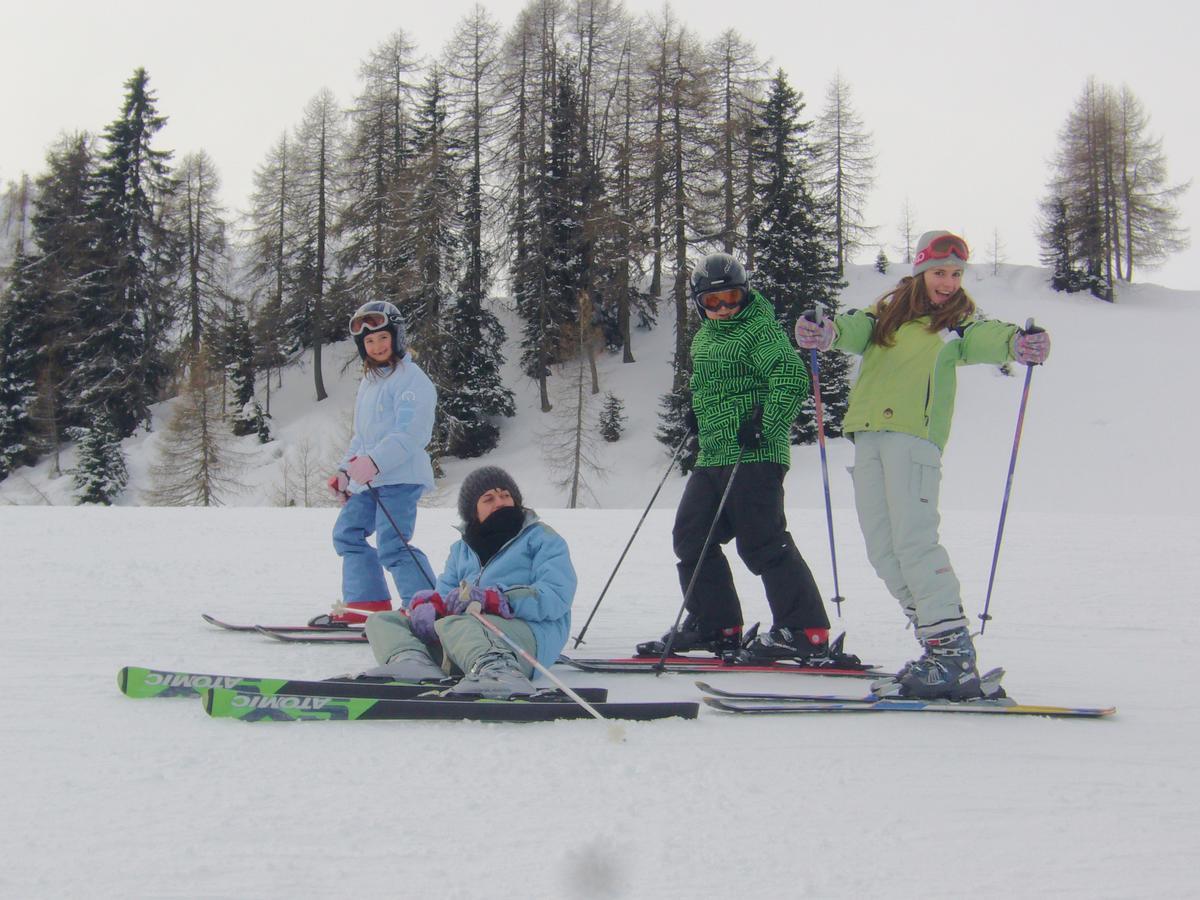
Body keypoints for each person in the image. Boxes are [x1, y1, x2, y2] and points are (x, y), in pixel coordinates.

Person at [794, 230, 1051, 700]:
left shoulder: (959, 321)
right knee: (884, 551)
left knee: (914, 543)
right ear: (919, 272)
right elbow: (849, 329)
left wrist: (1019, 343)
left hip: (915, 439)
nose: (949, 282)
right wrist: (824, 331)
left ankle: (953, 658)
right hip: (868, 434)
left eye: (956, 273)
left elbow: (990, 337)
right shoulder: (886, 314)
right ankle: (938, 648)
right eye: (940, 272)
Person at [636, 252, 855, 667]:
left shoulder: (760, 330)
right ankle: (715, 624)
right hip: (713, 454)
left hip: (755, 452)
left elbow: (790, 378)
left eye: (731, 297)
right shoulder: (703, 340)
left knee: (762, 542)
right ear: (701, 304)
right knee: (691, 538)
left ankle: (804, 629)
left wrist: (765, 424)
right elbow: (708, 387)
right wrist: (696, 413)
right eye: (712, 302)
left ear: (745, 294)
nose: (723, 308)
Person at [362, 466, 578, 698]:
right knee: (383, 620)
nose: (501, 502)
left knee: (459, 624)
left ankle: (500, 673)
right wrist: (431, 608)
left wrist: (499, 599)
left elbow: (556, 595)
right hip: (465, 639)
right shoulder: (461, 549)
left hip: (529, 637)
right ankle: (413, 663)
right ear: (473, 511)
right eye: (489, 498)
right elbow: (445, 595)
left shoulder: (542, 539)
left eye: (506, 495)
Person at [313, 300, 437, 626]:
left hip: (401, 476)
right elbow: (362, 438)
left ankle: (424, 605)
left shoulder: (412, 379)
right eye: (369, 341)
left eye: (382, 338)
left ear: (396, 336)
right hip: (370, 478)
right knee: (348, 534)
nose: (377, 346)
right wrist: (345, 472)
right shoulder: (369, 383)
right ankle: (366, 602)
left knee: (392, 544)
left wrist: (375, 463)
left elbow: (411, 434)